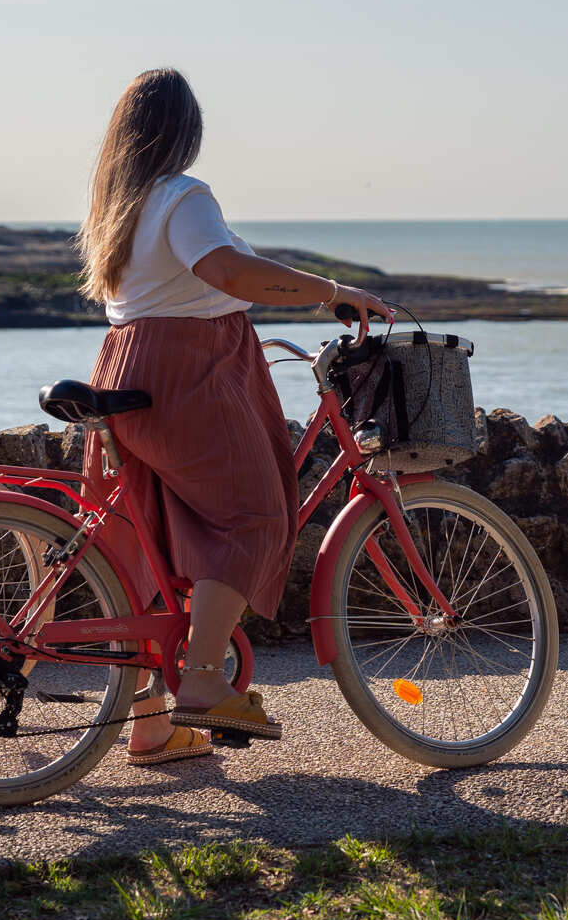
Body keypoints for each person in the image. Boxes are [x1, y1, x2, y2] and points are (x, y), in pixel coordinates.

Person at [75, 68, 390, 763]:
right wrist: (331, 291)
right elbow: (227, 273)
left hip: (126, 367)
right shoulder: (184, 196)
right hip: (190, 373)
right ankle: (205, 683)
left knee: (144, 550)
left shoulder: (119, 208)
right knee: (256, 514)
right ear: (187, 131)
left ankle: (153, 725)